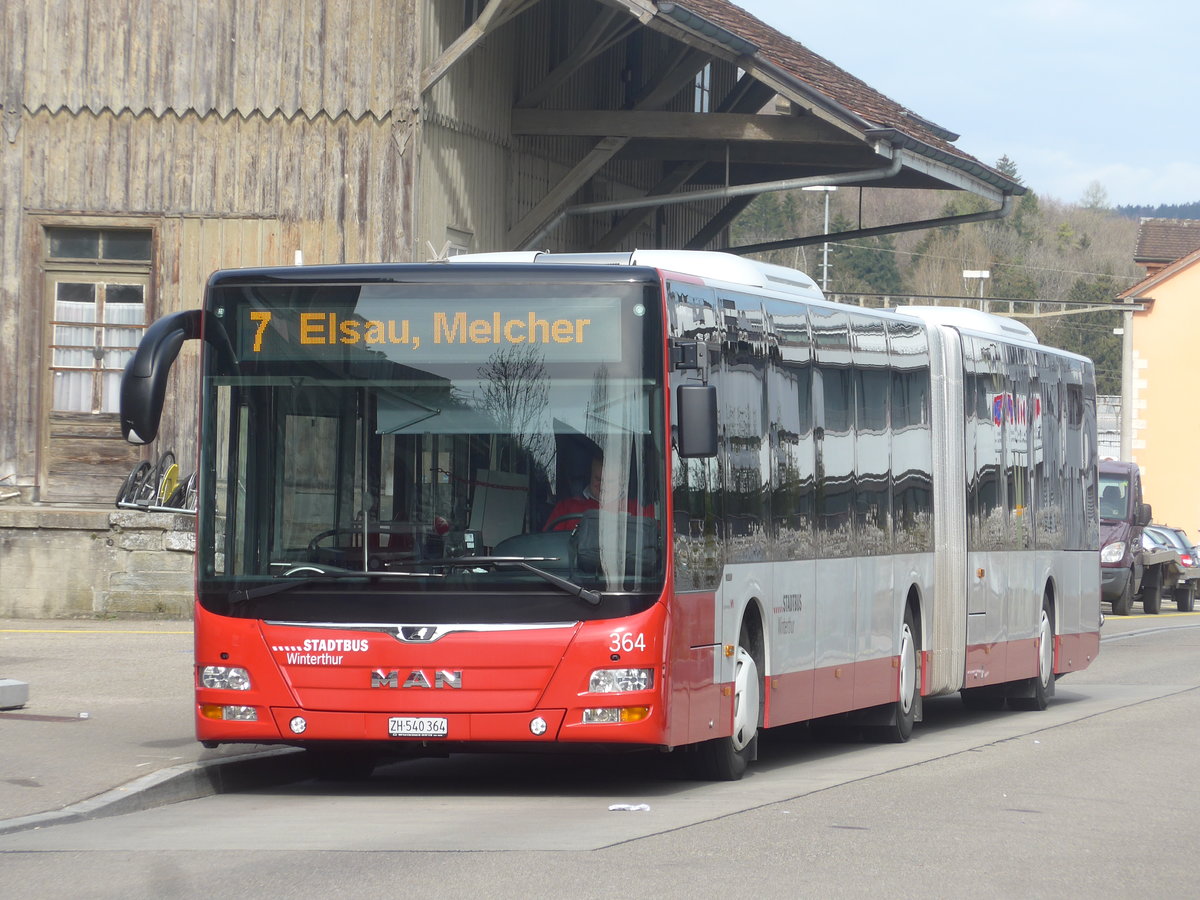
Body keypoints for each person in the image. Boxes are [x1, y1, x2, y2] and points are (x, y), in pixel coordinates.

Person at [544, 455, 652, 531]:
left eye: (609, 481)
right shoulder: (565, 508)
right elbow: (548, 544)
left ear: (621, 481)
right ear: (590, 476)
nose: (603, 485)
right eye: (598, 479)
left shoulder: (639, 510)